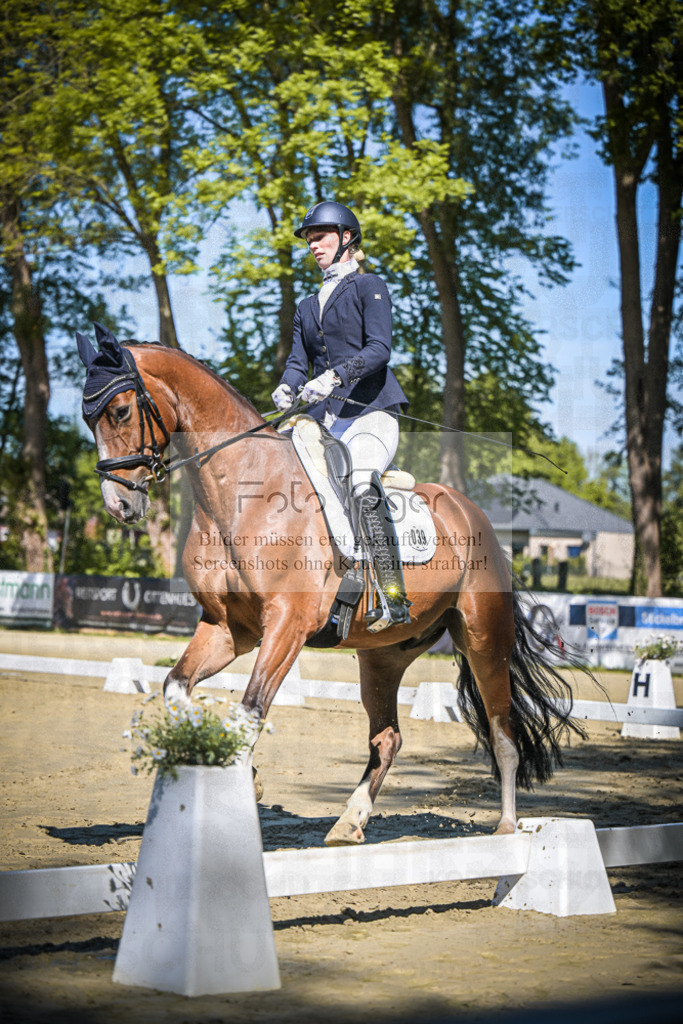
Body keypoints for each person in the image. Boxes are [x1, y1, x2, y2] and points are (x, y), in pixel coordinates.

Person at [271, 200, 411, 629]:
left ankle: (393, 598)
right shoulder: (306, 306)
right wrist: (287, 385)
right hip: (326, 420)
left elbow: (379, 350)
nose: (313, 246)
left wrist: (332, 378)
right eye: (310, 240)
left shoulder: (371, 286)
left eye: (321, 238)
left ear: (346, 239)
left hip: (371, 413)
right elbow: (299, 361)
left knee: (362, 479)